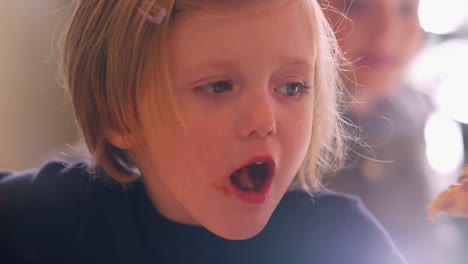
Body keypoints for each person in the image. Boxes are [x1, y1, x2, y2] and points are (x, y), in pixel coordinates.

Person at [0, 1, 406, 263]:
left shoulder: (343, 244)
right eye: (218, 87)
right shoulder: (61, 218)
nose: (265, 120)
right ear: (117, 115)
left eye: (291, 87)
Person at [319, 0, 464, 263]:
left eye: (406, 9)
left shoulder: (424, 116)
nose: (386, 31)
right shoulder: (284, 128)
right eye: (356, 6)